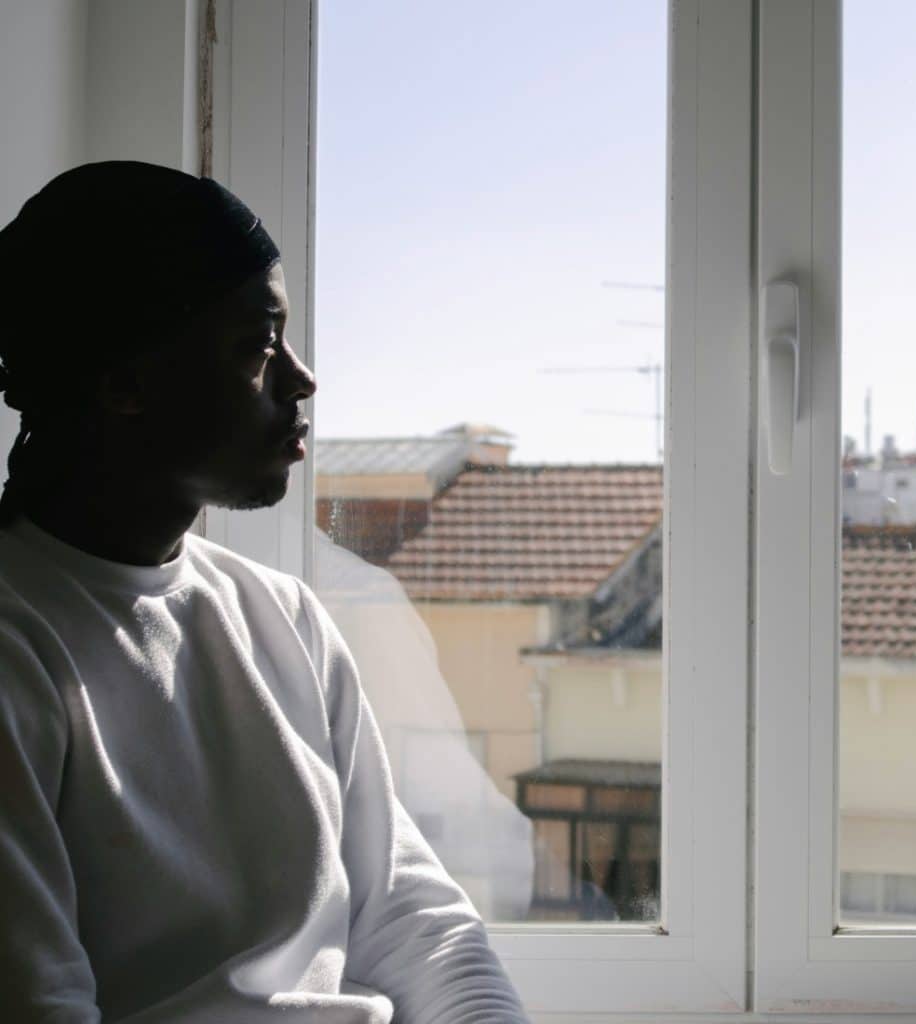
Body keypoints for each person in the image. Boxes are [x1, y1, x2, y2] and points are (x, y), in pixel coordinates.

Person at [0, 162, 529, 1023]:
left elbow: (410, 918)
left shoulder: (281, 618)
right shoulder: (20, 648)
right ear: (123, 383)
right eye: (258, 345)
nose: (301, 377)